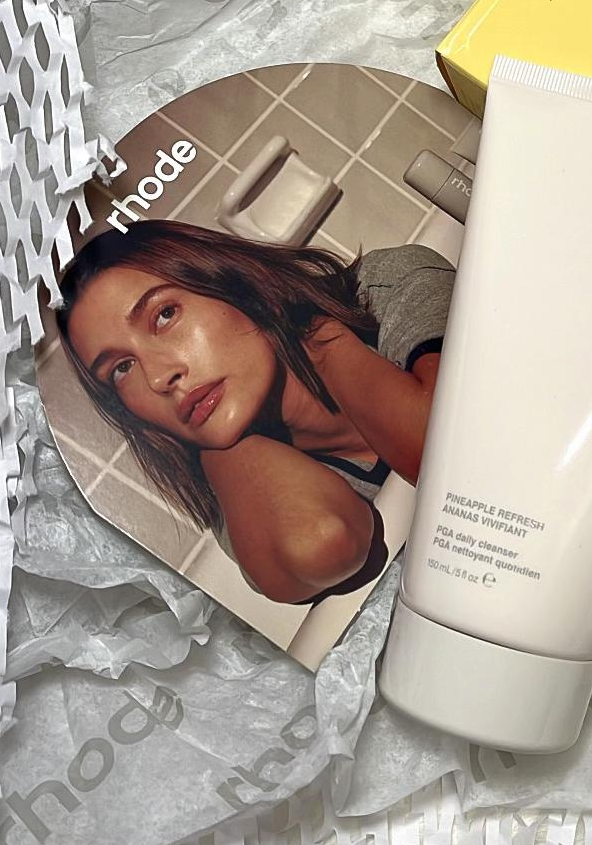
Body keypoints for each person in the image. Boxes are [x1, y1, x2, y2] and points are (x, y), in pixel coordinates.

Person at [57, 219, 454, 605]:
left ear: (230, 282)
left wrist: (321, 337)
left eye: (164, 315)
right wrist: (219, 448)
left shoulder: (387, 287)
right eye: (122, 368)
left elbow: (451, 455)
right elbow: (322, 539)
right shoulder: (249, 500)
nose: (159, 378)